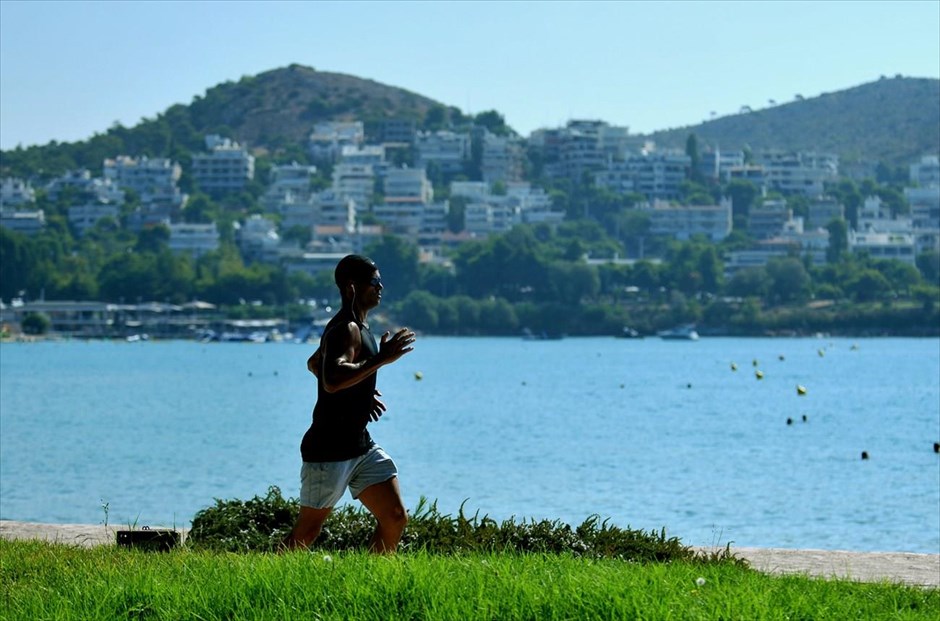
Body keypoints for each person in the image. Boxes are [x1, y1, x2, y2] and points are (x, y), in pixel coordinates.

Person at [284, 254, 416, 553]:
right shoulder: (346, 328)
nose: (380, 287)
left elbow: (314, 363)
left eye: (380, 282)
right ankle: (262, 580)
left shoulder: (358, 327)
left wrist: (358, 392)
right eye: (374, 282)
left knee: (395, 517)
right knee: (307, 531)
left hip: (360, 446)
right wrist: (382, 358)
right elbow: (331, 378)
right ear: (351, 287)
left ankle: (375, 580)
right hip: (329, 449)